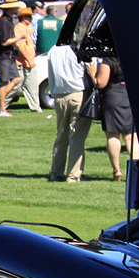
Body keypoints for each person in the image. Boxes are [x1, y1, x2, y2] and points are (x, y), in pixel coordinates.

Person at [47, 42, 91, 182]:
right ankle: (73, 175)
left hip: (59, 95)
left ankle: (56, 172)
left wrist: (54, 93)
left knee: (61, 135)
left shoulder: (53, 50)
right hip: (78, 93)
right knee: (76, 136)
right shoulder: (80, 49)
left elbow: (51, 76)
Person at [92, 54, 135, 181]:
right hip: (128, 96)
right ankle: (135, 170)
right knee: (131, 137)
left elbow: (101, 83)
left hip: (113, 95)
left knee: (112, 135)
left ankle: (117, 170)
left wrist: (93, 74)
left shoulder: (109, 59)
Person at [0, 0, 24, 116]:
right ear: (11, 8)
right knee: (4, 82)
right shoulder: (4, 21)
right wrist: (20, 37)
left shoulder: (10, 20)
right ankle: (1, 109)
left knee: (17, 79)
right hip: (2, 56)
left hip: (10, 56)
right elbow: (4, 42)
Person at [14, 8, 44, 112]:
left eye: (31, 16)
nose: (30, 19)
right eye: (28, 17)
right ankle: (0, 105)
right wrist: (29, 59)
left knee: (32, 86)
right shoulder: (19, 28)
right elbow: (20, 46)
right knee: (15, 86)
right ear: (22, 18)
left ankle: (36, 107)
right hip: (22, 63)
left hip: (29, 63)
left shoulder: (28, 28)